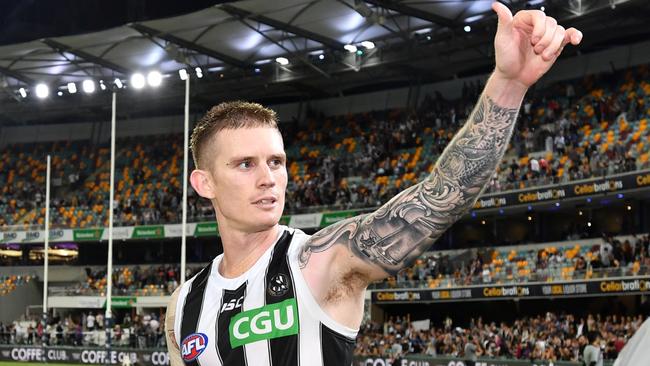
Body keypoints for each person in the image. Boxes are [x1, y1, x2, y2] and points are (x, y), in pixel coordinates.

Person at [164, 3, 582, 366]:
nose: (268, 177)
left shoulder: (321, 262)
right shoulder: (183, 307)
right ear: (204, 183)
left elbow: (442, 194)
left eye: (276, 161)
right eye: (244, 164)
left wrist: (509, 83)